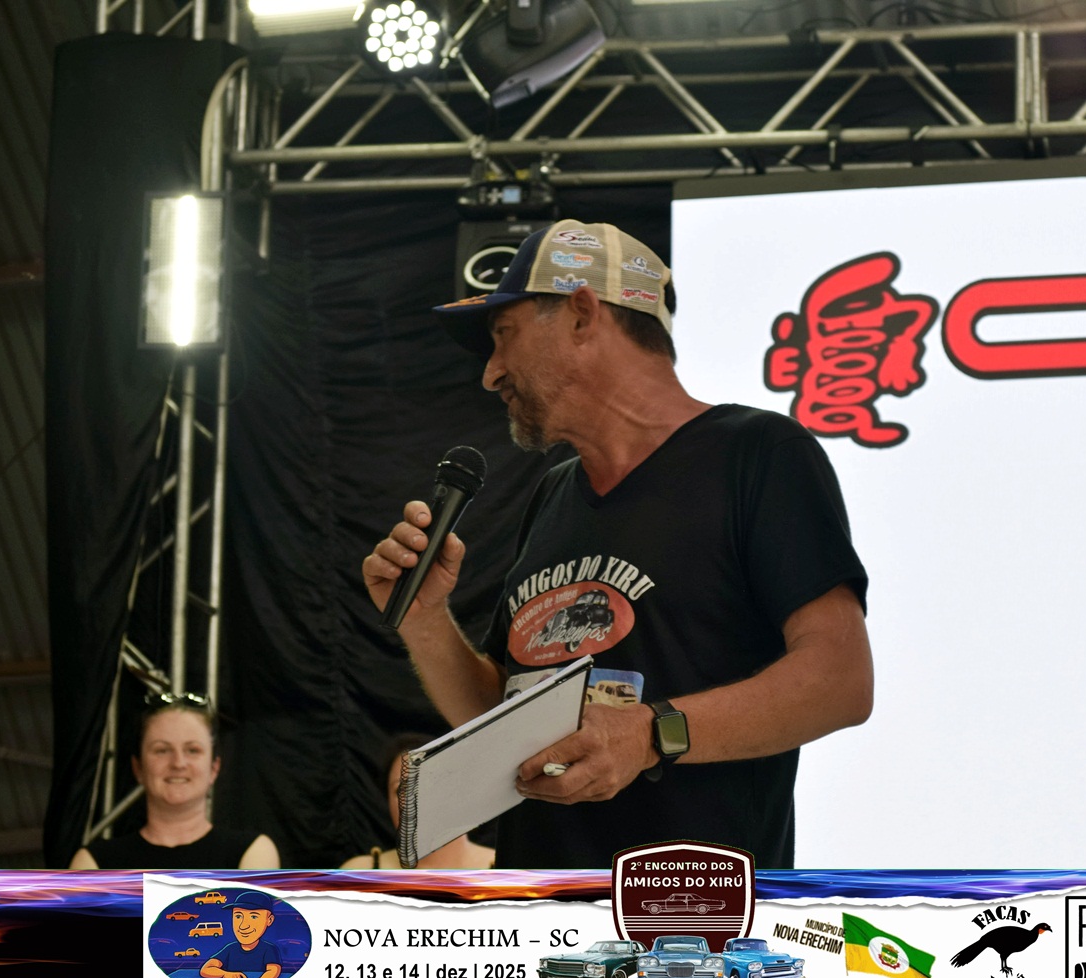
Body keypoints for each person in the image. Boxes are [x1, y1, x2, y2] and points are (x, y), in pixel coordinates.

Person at [362, 220, 873, 868]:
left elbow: (840, 679)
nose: (491, 373)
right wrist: (425, 618)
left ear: (581, 314)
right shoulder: (554, 493)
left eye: (504, 334)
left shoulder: (758, 454)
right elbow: (502, 722)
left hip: (690, 907)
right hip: (538, 904)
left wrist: (653, 734)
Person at [69, 693, 279, 869]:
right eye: (162, 750)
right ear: (138, 768)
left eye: (192, 750)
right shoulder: (92, 862)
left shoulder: (254, 852)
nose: (178, 763)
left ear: (214, 768)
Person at [340, 733, 495, 869]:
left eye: (430, 784)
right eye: (402, 789)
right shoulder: (359, 873)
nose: (414, 799)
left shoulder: (504, 871)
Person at [198, 889, 282, 978]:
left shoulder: (268, 949)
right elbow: (206, 969)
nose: (243, 926)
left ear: (269, 920)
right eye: (238, 916)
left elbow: (274, 969)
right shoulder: (230, 949)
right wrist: (224, 974)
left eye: (254, 917)